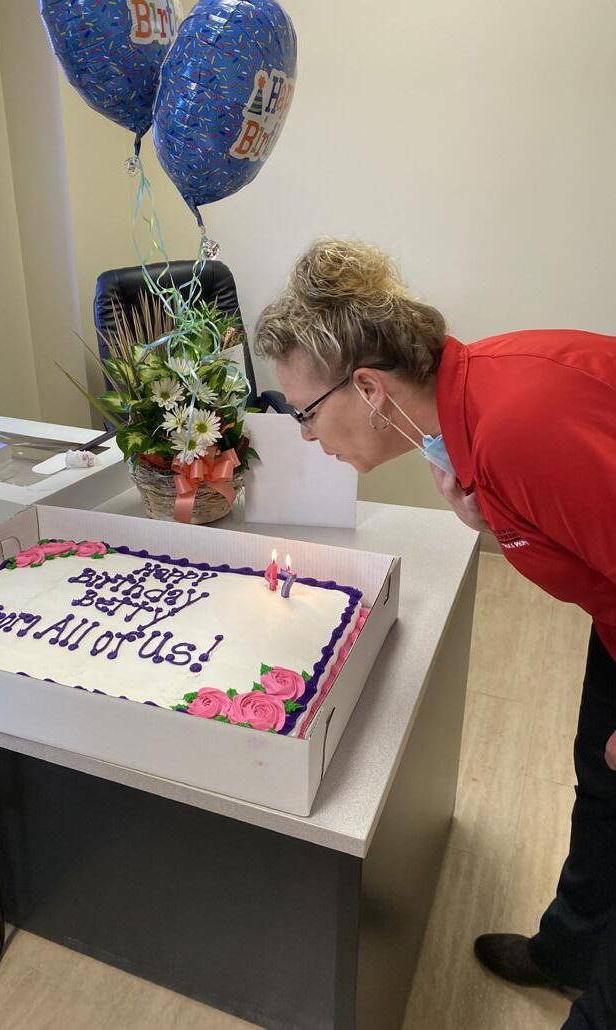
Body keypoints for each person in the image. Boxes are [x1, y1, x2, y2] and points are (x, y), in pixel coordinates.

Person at [254, 238, 616, 1030]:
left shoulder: (519, 425)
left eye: (305, 414)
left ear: (367, 387)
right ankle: (570, 951)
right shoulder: (467, 406)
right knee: (603, 779)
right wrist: (492, 518)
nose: (307, 437)